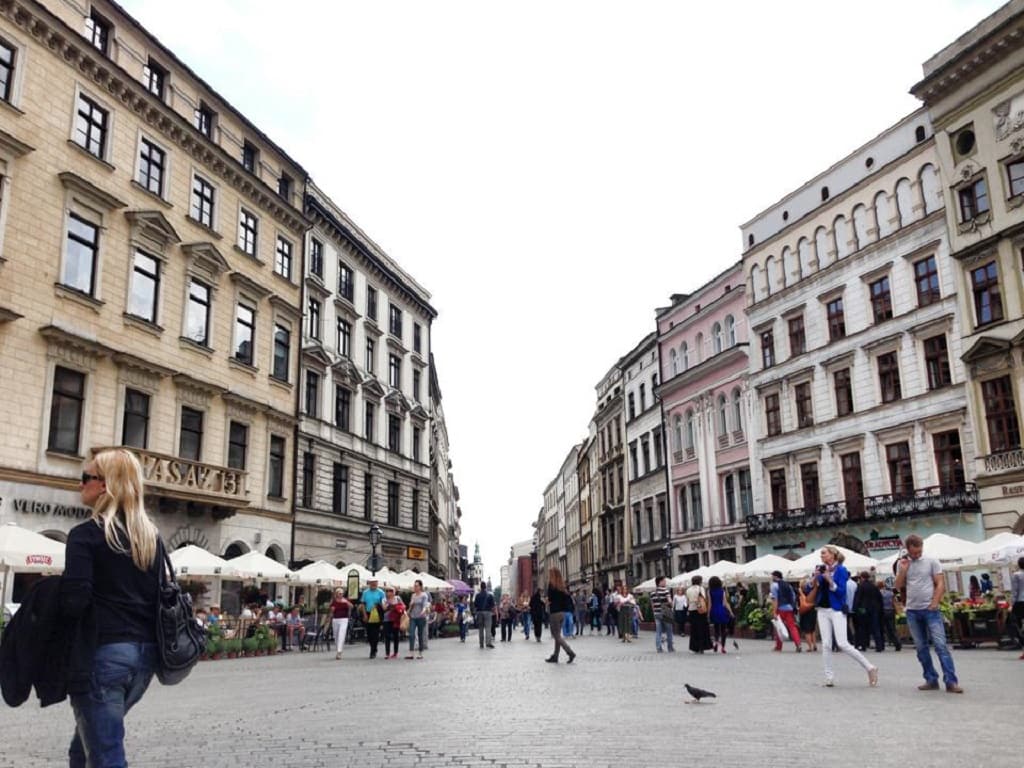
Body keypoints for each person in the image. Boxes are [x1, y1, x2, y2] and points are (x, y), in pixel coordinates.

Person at [60, 448, 161, 768]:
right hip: (144, 660)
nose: (81, 485)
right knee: (85, 748)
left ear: (104, 485)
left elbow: (74, 602)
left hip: (103, 655)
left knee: (106, 756)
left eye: (85, 478)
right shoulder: (150, 538)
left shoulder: (85, 536)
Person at [895, 534, 962, 693]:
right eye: (914, 553)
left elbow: (940, 584)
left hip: (930, 610)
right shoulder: (902, 564)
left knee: (940, 645)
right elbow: (898, 586)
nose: (917, 555)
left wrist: (935, 602)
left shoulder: (931, 561)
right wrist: (903, 570)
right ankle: (931, 679)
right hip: (912, 610)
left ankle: (951, 681)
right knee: (921, 647)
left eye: (919, 552)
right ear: (908, 550)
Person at [813, 546, 878, 688]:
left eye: (824, 553)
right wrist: (815, 577)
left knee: (842, 643)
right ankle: (829, 677)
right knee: (826, 644)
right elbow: (814, 588)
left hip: (836, 608)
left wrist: (830, 581)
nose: (821, 556)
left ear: (832, 555)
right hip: (822, 609)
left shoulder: (841, 570)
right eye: (821, 554)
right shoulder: (823, 569)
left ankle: (870, 667)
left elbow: (841, 591)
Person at [545, 567, 576, 664]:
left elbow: (549, 599)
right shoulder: (562, 586)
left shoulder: (551, 585)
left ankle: (570, 652)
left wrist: (546, 602)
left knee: (556, 635)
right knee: (557, 635)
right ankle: (555, 655)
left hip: (554, 613)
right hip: (562, 613)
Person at [769, 571, 801, 653]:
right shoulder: (788, 585)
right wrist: (792, 606)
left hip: (780, 608)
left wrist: (774, 612)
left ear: (775, 577)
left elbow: (775, 600)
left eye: (772, 576)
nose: (771, 578)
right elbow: (793, 596)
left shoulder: (774, 586)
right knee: (792, 627)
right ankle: (798, 644)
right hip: (789, 608)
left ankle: (778, 646)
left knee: (778, 627)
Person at [852, 572, 883, 652]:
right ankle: (879, 646)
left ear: (862, 578)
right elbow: (879, 598)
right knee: (876, 628)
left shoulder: (861, 586)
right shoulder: (874, 586)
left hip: (863, 609)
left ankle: (863, 645)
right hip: (874, 609)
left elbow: (857, 598)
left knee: (863, 627)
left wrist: (855, 609)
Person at [360, 577, 387, 659]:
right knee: (369, 633)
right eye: (372, 583)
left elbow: (384, 605)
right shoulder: (365, 592)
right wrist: (364, 615)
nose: (374, 584)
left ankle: (373, 650)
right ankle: (373, 646)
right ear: (369, 584)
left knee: (375, 633)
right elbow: (363, 604)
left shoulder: (381, 592)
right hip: (368, 613)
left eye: (375, 583)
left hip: (377, 613)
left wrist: (379, 605)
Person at [707, 576, 733, 654]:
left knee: (716, 629)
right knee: (723, 629)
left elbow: (710, 603)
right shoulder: (722, 591)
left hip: (714, 610)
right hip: (722, 610)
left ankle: (715, 643)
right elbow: (725, 603)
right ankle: (723, 647)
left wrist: (708, 613)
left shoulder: (710, 591)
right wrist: (730, 611)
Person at [685, 576, 711, 654]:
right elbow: (703, 598)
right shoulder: (700, 588)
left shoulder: (688, 589)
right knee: (702, 628)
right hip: (700, 610)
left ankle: (694, 647)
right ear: (699, 581)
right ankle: (701, 646)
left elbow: (687, 601)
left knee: (694, 629)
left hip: (691, 610)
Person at [650, 576, 674, 653]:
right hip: (666, 612)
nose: (665, 582)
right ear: (660, 582)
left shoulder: (652, 592)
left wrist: (654, 612)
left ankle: (659, 648)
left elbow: (652, 604)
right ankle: (670, 647)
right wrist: (671, 604)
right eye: (664, 581)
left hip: (656, 613)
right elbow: (670, 601)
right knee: (669, 631)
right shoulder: (665, 590)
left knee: (658, 631)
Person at [406, 580, 429, 659]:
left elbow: (425, 605)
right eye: (414, 586)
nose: (415, 587)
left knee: (420, 634)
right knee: (411, 634)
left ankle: (420, 652)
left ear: (420, 587)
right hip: (413, 617)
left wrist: (423, 611)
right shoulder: (413, 595)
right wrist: (408, 609)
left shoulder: (424, 595)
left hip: (421, 617)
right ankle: (411, 653)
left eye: (417, 586)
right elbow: (411, 606)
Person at [381, 587, 405, 659]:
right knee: (387, 636)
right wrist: (389, 603)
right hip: (387, 619)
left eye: (391, 591)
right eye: (387, 591)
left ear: (394, 592)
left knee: (396, 636)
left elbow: (403, 606)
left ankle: (395, 652)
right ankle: (387, 653)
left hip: (396, 619)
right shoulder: (384, 599)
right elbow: (384, 608)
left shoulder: (398, 598)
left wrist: (398, 607)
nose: (389, 592)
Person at [329, 588, 352, 659]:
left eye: (342, 593)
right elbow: (331, 610)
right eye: (339, 593)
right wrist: (331, 612)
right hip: (335, 619)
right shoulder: (334, 601)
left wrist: (346, 602)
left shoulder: (345, 600)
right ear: (336, 594)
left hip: (344, 619)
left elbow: (352, 606)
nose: (341, 595)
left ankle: (339, 652)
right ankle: (338, 649)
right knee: (336, 636)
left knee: (341, 634)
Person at [878, 581, 901, 652]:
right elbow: (895, 602)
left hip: (882, 611)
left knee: (881, 629)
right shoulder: (891, 593)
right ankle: (897, 643)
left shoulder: (879, 593)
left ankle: (881, 644)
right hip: (891, 611)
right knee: (892, 628)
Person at [798, 575, 818, 653]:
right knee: (812, 629)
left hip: (805, 612)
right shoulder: (812, 591)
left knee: (807, 630)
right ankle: (815, 645)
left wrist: (800, 593)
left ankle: (810, 646)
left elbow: (803, 601)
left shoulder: (802, 593)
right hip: (813, 610)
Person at [473, 582, 496, 649]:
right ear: (485, 587)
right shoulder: (490, 595)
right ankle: (488, 643)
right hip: (488, 612)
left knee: (480, 629)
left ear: (480, 587)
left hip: (479, 612)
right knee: (488, 628)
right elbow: (493, 605)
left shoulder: (477, 595)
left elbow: (475, 605)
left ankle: (481, 644)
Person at [1012, 557, 1024, 660]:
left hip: (1020, 602)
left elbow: (1015, 591)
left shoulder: (1016, 575)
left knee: (1018, 626)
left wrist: (1012, 604)